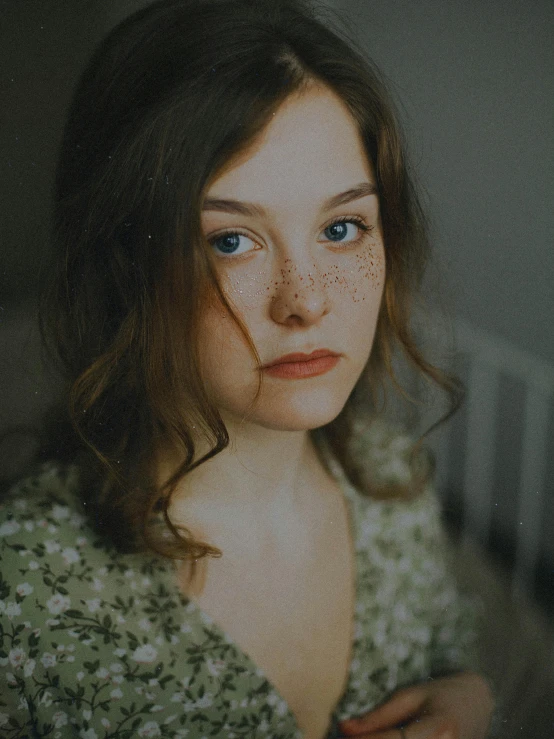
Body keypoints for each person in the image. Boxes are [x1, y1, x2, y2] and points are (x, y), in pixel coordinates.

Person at [0, 0, 494, 737]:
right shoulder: (26, 594)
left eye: (341, 227)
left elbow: (449, 651)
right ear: (125, 265)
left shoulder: (395, 482)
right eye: (232, 240)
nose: (307, 301)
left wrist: (471, 697)